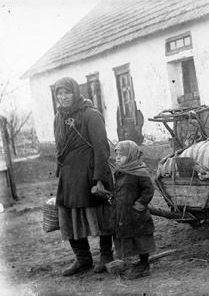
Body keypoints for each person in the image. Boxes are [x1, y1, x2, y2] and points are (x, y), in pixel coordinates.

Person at [53, 77, 114, 276]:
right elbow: (60, 147)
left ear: (76, 92)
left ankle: (106, 255)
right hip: (69, 176)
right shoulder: (58, 118)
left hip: (90, 173)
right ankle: (83, 258)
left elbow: (101, 149)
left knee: (100, 214)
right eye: (60, 94)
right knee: (69, 216)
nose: (63, 97)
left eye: (67, 92)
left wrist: (100, 178)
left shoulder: (91, 115)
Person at [112, 140, 156, 279]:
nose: (118, 157)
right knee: (130, 237)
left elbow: (148, 190)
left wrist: (140, 205)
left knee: (141, 239)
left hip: (137, 214)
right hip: (124, 213)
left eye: (122, 154)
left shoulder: (139, 172)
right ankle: (135, 262)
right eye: (117, 154)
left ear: (131, 155)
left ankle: (144, 265)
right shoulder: (120, 172)